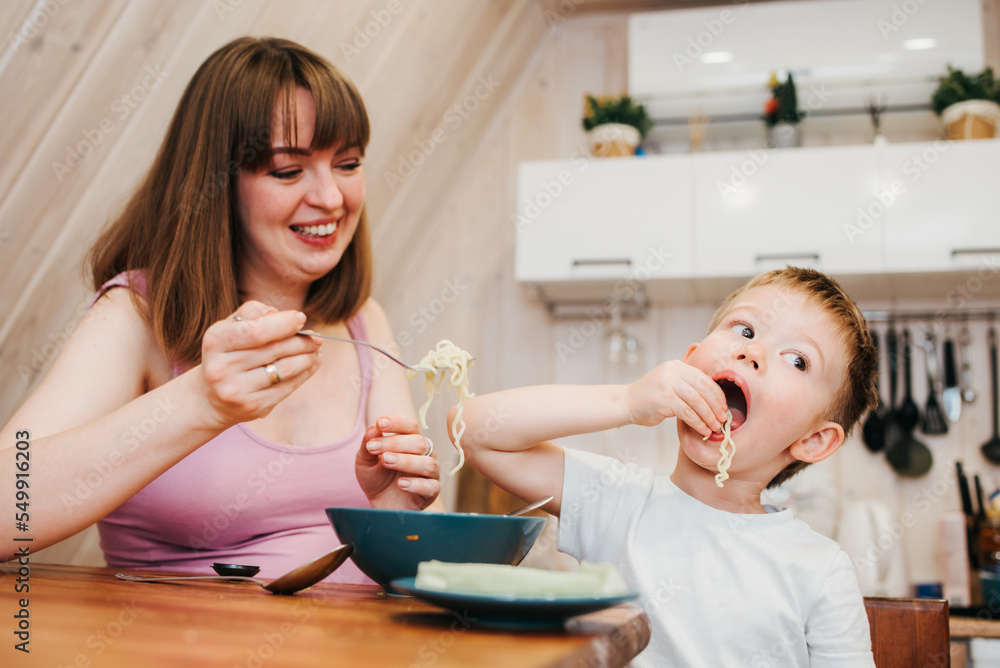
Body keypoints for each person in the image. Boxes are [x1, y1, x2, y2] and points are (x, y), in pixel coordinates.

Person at [0, 37, 440, 582]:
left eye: (347, 163)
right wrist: (200, 401)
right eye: (287, 171)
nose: (331, 197)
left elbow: (418, 560)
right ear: (216, 184)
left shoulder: (363, 320)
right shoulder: (136, 315)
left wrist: (397, 514)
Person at [445, 267, 878, 666]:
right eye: (744, 329)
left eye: (797, 360)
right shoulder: (616, 500)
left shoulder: (819, 569)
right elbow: (473, 430)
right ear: (691, 364)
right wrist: (626, 401)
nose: (753, 351)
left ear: (814, 439)